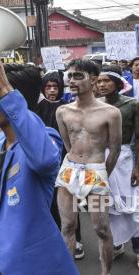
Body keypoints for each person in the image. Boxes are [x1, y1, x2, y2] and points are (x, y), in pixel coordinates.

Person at [0, 44, 78, 275]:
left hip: (25, 259)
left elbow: (44, 161)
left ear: (11, 97)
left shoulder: (47, 137)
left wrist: (4, 86)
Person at [56, 59, 122, 275]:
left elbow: (114, 150)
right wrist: (75, 163)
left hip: (96, 172)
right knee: (67, 226)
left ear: (93, 80)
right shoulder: (62, 111)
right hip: (69, 171)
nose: (71, 81)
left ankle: (105, 273)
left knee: (101, 229)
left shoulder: (110, 113)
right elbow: (68, 145)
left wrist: (102, 175)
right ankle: (69, 272)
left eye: (78, 76)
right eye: (69, 76)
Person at [97, 65, 139, 270]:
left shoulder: (133, 105)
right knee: (107, 208)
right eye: (99, 81)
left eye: (106, 80)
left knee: (131, 207)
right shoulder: (94, 105)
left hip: (125, 159)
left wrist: (137, 168)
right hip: (100, 160)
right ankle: (117, 245)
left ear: (118, 83)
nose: (101, 84)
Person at [34, 70, 85, 260]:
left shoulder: (69, 108)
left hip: (66, 161)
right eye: (48, 87)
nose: (52, 90)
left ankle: (76, 239)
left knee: (69, 202)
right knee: (48, 202)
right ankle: (53, 237)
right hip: (44, 163)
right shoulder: (37, 108)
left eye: (55, 87)